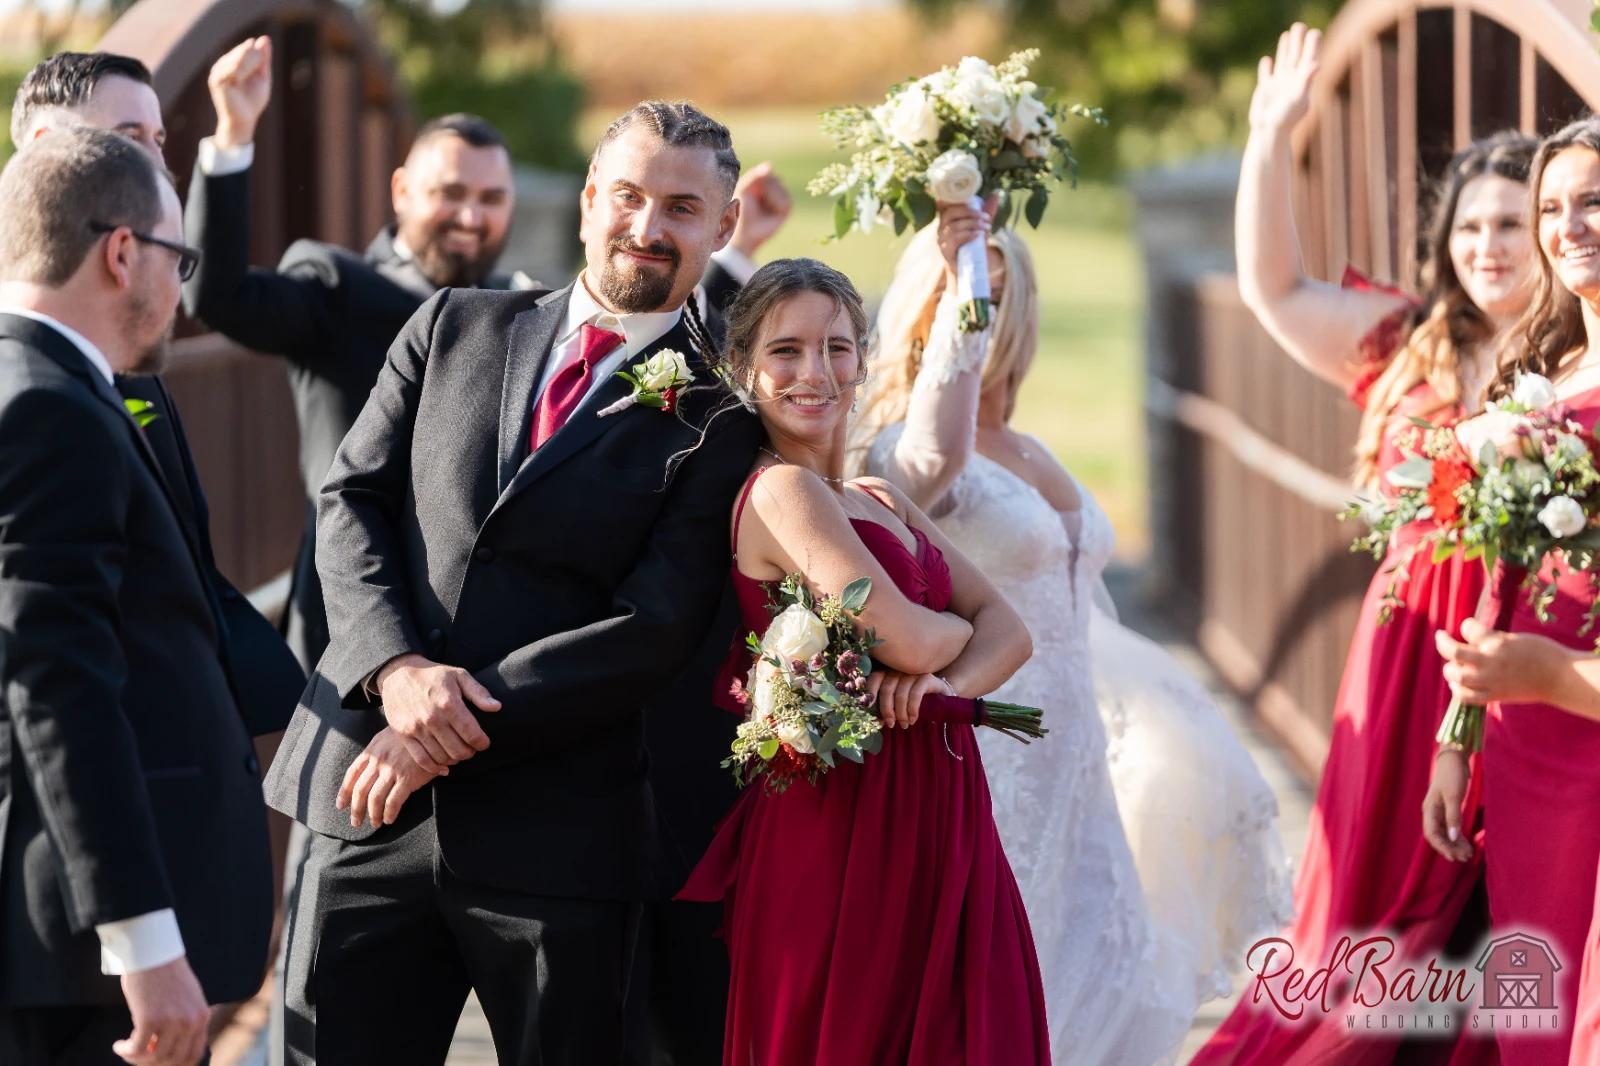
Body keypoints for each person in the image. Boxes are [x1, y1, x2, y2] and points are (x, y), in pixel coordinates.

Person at [262, 100, 765, 1065]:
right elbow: (350, 501)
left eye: (683, 208)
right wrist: (398, 672)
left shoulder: (722, 415)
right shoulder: (452, 323)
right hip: (366, 803)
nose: (648, 229)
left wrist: (441, 738)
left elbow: (649, 627)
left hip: (558, 837)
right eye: (627, 196)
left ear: (726, 226)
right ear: (586, 201)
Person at [186, 36, 790, 673]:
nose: (471, 216)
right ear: (401, 191)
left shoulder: (518, 303)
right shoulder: (347, 289)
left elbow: (662, 295)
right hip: (361, 622)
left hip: (524, 708)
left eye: (492, 199)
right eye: (451, 193)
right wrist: (233, 135)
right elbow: (219, 297)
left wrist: (731, 256)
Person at [851, 199, 1291, 1057]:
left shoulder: (1031, 447)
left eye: (1001, 289)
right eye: (970, 293)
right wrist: (965, 275)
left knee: (1100, 969)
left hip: (1078, 754)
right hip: (988, 752)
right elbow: (937, 457)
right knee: (1001, 980)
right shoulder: (905, 454)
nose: (986, 313)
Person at [1191, 23, 1536, 1064]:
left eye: (1513, 224)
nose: (1487, 245)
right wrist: (1268, 139)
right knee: (1363, 908)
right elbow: (1276, 291)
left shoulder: (1578, 366)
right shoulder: (1401, 341)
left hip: (1516, 654)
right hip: (1397, 658)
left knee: (1498, 907)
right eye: (1471, 224)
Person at [677, 256, 1049, 1064]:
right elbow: (919, 637)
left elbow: (1012, 631)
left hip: (938, 793)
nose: (816, 372)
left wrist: (936, 682)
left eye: (837, 347)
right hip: (846, 813)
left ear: (862, 360)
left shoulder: (877, 495)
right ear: (744, 369)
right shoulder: (781, 493)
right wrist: (941, 644)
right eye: (786, 350)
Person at [0, 128, 274, 1066]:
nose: (178, 287)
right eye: (177, 255)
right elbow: (59, 684)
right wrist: (144, 944)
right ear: (123, 252)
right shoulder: (50, 409)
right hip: (82, 956)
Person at [11, 49, 304, 745]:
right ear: (53, 152)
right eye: (129, 137)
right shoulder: (29, 372)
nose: (155, 161)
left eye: (159, 140)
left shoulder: (126, 346)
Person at [1423, 114, 1600, 1066]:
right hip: (1524, 736)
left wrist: (1556, 675)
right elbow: (1502, 568)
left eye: (1594, 202)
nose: (1569, 226)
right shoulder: (1540, 372)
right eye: (1552, 209)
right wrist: (1458, 739)